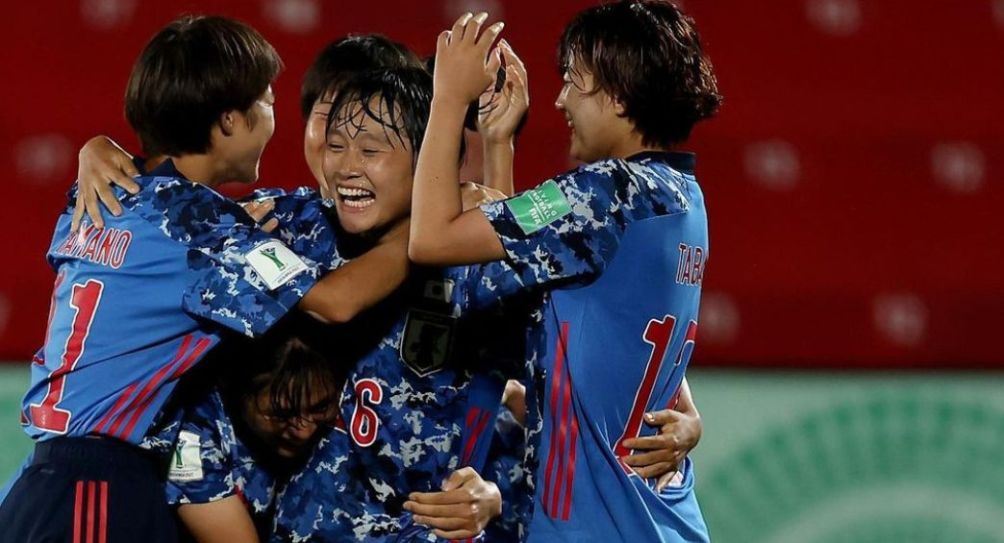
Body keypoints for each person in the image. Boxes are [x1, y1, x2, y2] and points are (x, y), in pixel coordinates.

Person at [0, 16, 410, 542]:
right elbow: (336, 301)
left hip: (43, 483)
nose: (272, 117)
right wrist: (421, 234)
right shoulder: (200, 225)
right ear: (228, 121)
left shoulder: (103, 192)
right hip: (101, 487)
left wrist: (97, 145)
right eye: (265, 102)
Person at [409, 3, 721, 541]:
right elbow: (542, 290)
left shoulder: (604, 193)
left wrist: (448, 98)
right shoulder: (683, 199)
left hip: (599, 527)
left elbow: (432, 238)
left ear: (619, 96)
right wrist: (500, 142)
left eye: (575, 83)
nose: (559, 101)